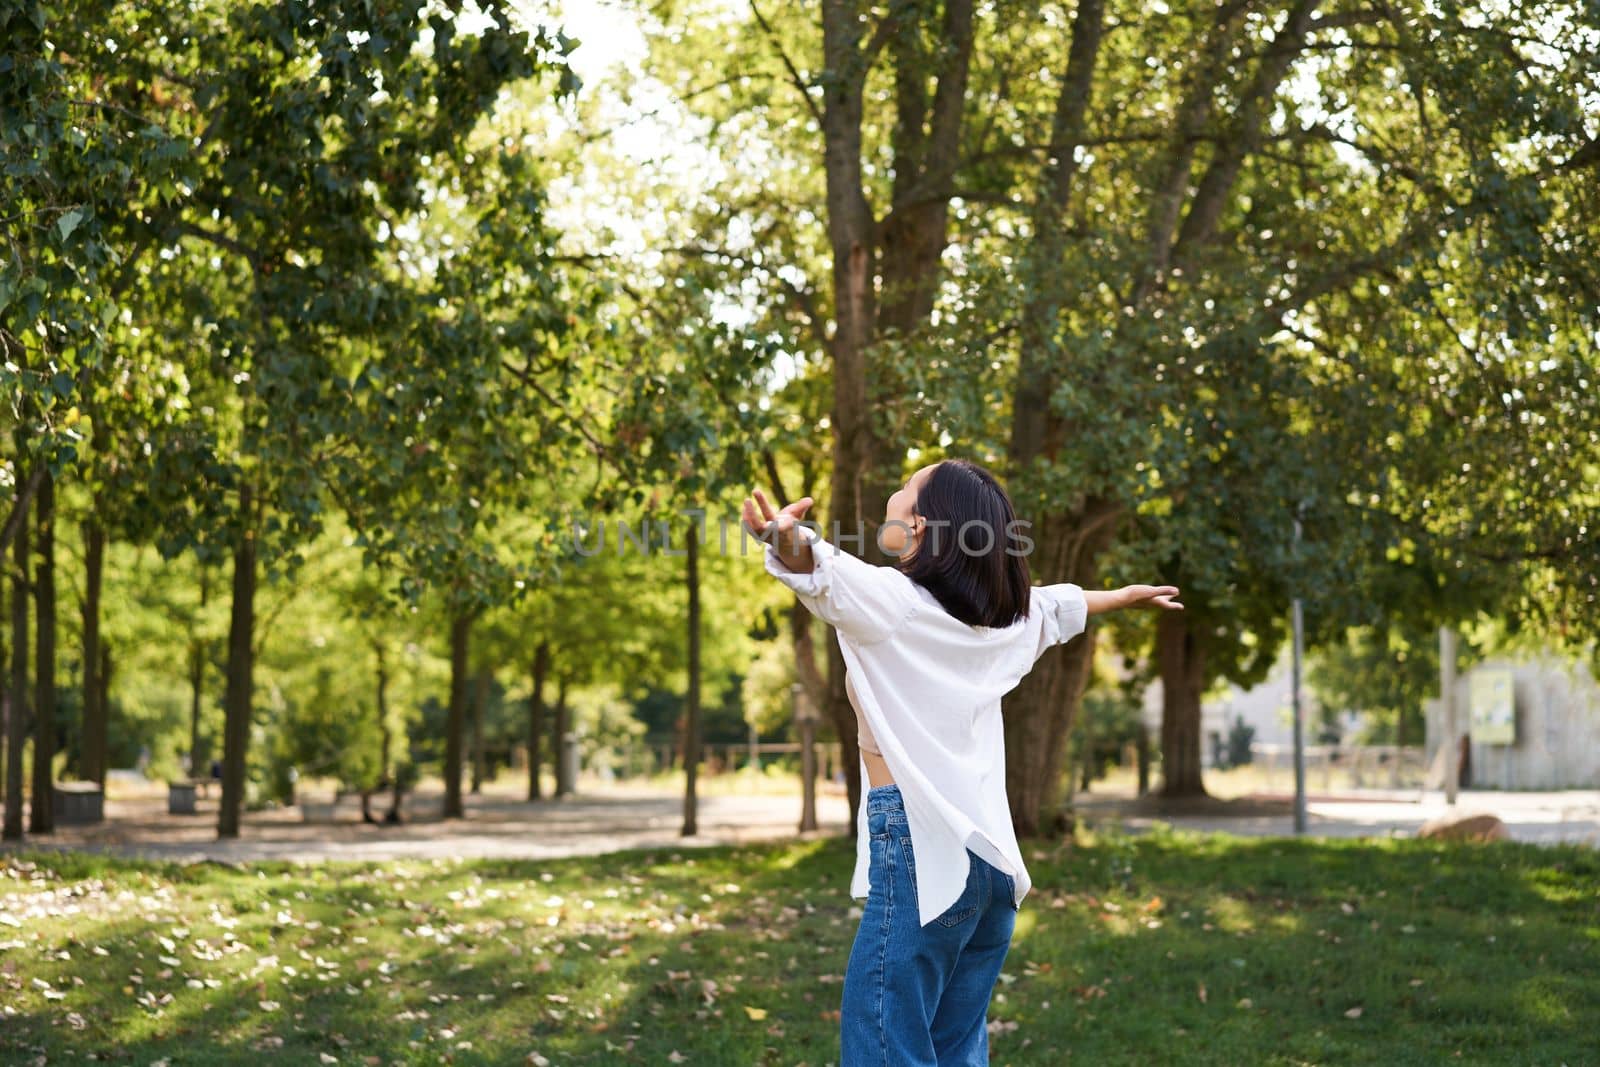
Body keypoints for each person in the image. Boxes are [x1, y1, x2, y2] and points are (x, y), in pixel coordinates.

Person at [744, 459, 1182, 1066]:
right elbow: (1054, 607)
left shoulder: (894, 604)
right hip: (992, 869)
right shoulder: (1000, 624)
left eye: (903, 490)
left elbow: (822, 568)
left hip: (923, 853)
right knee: (954, 1053)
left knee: (884, 1046)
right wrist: (1125, 598)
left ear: (919, 526)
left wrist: (785, 538)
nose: (891, 498)